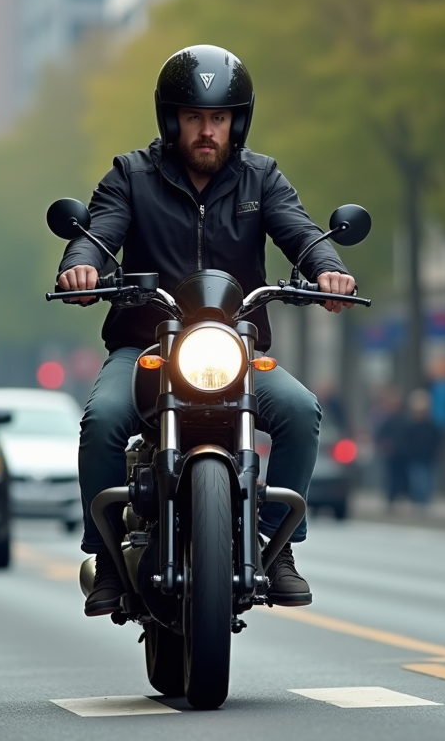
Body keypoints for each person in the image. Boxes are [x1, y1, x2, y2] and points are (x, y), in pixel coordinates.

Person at [55, 45, 358, 616]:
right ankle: (106, 558)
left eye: (219, 117)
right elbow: (98, 232)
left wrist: (329, 269)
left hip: (236, 350)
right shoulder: (131, 175)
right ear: (171, 120)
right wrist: (82, 266)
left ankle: (278, 546)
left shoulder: (261, 177)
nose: (207, 131)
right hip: (146, 348)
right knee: (101, 421)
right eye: (194, 116)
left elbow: (300, 231)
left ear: (237, 122)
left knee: (301, 410)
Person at [402, 389, 443, 509]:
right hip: (415, 458)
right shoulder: (411, 427)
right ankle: (420, 501)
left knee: (428, 481)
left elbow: (437, 441)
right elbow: (407, 442)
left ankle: (425, 502)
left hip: (429, 457)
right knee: (417, 482)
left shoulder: (432, 426)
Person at [374, 388, 410, 509]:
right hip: (391, 454)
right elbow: (380, 435)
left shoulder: (405, 419)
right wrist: (385, 445)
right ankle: (391, 498)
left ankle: (402, 497)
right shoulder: (388, 420)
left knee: (403, 477)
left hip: (403, 453)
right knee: (391, 477)